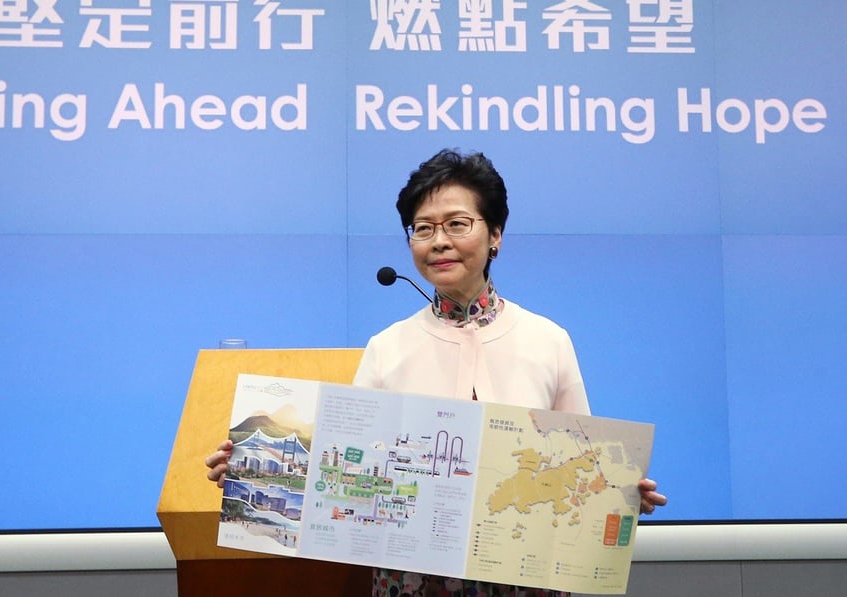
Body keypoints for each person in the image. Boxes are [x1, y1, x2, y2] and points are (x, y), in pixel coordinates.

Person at [207, 148, 667, 596]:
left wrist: (618, 491)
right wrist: (253, 472)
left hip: (524, 581)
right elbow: (344, 477)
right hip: (412, 583)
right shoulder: (388, 347)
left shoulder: (548, 340)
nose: (439, 241)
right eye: (422, 229)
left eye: (457, 224)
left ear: (496, 235)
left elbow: (579, 467)